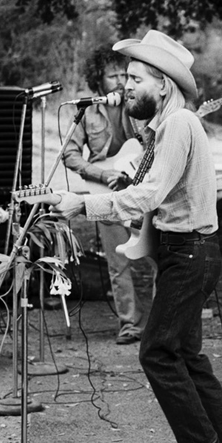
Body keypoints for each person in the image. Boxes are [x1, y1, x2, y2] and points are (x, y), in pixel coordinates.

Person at [54, 29, 222, 443]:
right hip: (187, 250)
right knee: (187, 354)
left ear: (163, 83)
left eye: (135, 78)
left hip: (191, 252)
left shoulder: (179, 125)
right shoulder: (165, 127)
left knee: (155, 351)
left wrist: (84, 204)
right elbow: (156, 192)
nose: (126, 86)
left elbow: (149, 194)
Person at [61, 54, 149, 345]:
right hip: (104, 191)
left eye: (125, 75)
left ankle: (162, 320)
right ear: (97, 78)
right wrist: (100, 175)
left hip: (138, 189)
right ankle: (130, 323)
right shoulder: (87, 111)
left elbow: (152, 144)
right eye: (113, 76)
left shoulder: (138, 105)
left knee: (154, 254)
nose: (121, 81)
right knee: (118, 260)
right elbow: (69, 154)